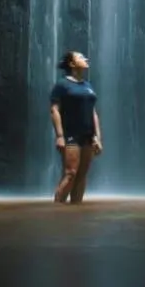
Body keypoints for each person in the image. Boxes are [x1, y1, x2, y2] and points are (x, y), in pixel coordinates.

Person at [49, 50, 102, 204]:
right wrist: (59, 136)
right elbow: (54, 110)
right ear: (72, 64)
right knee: (71, 173)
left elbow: (93, 113)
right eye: (80, 57)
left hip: (88, 135)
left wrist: (97, 137)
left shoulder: (88, 85)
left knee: (82, 175)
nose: (85, 58)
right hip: (71, 134)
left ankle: (75, 212)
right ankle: (57, 210)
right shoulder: (62, 84)